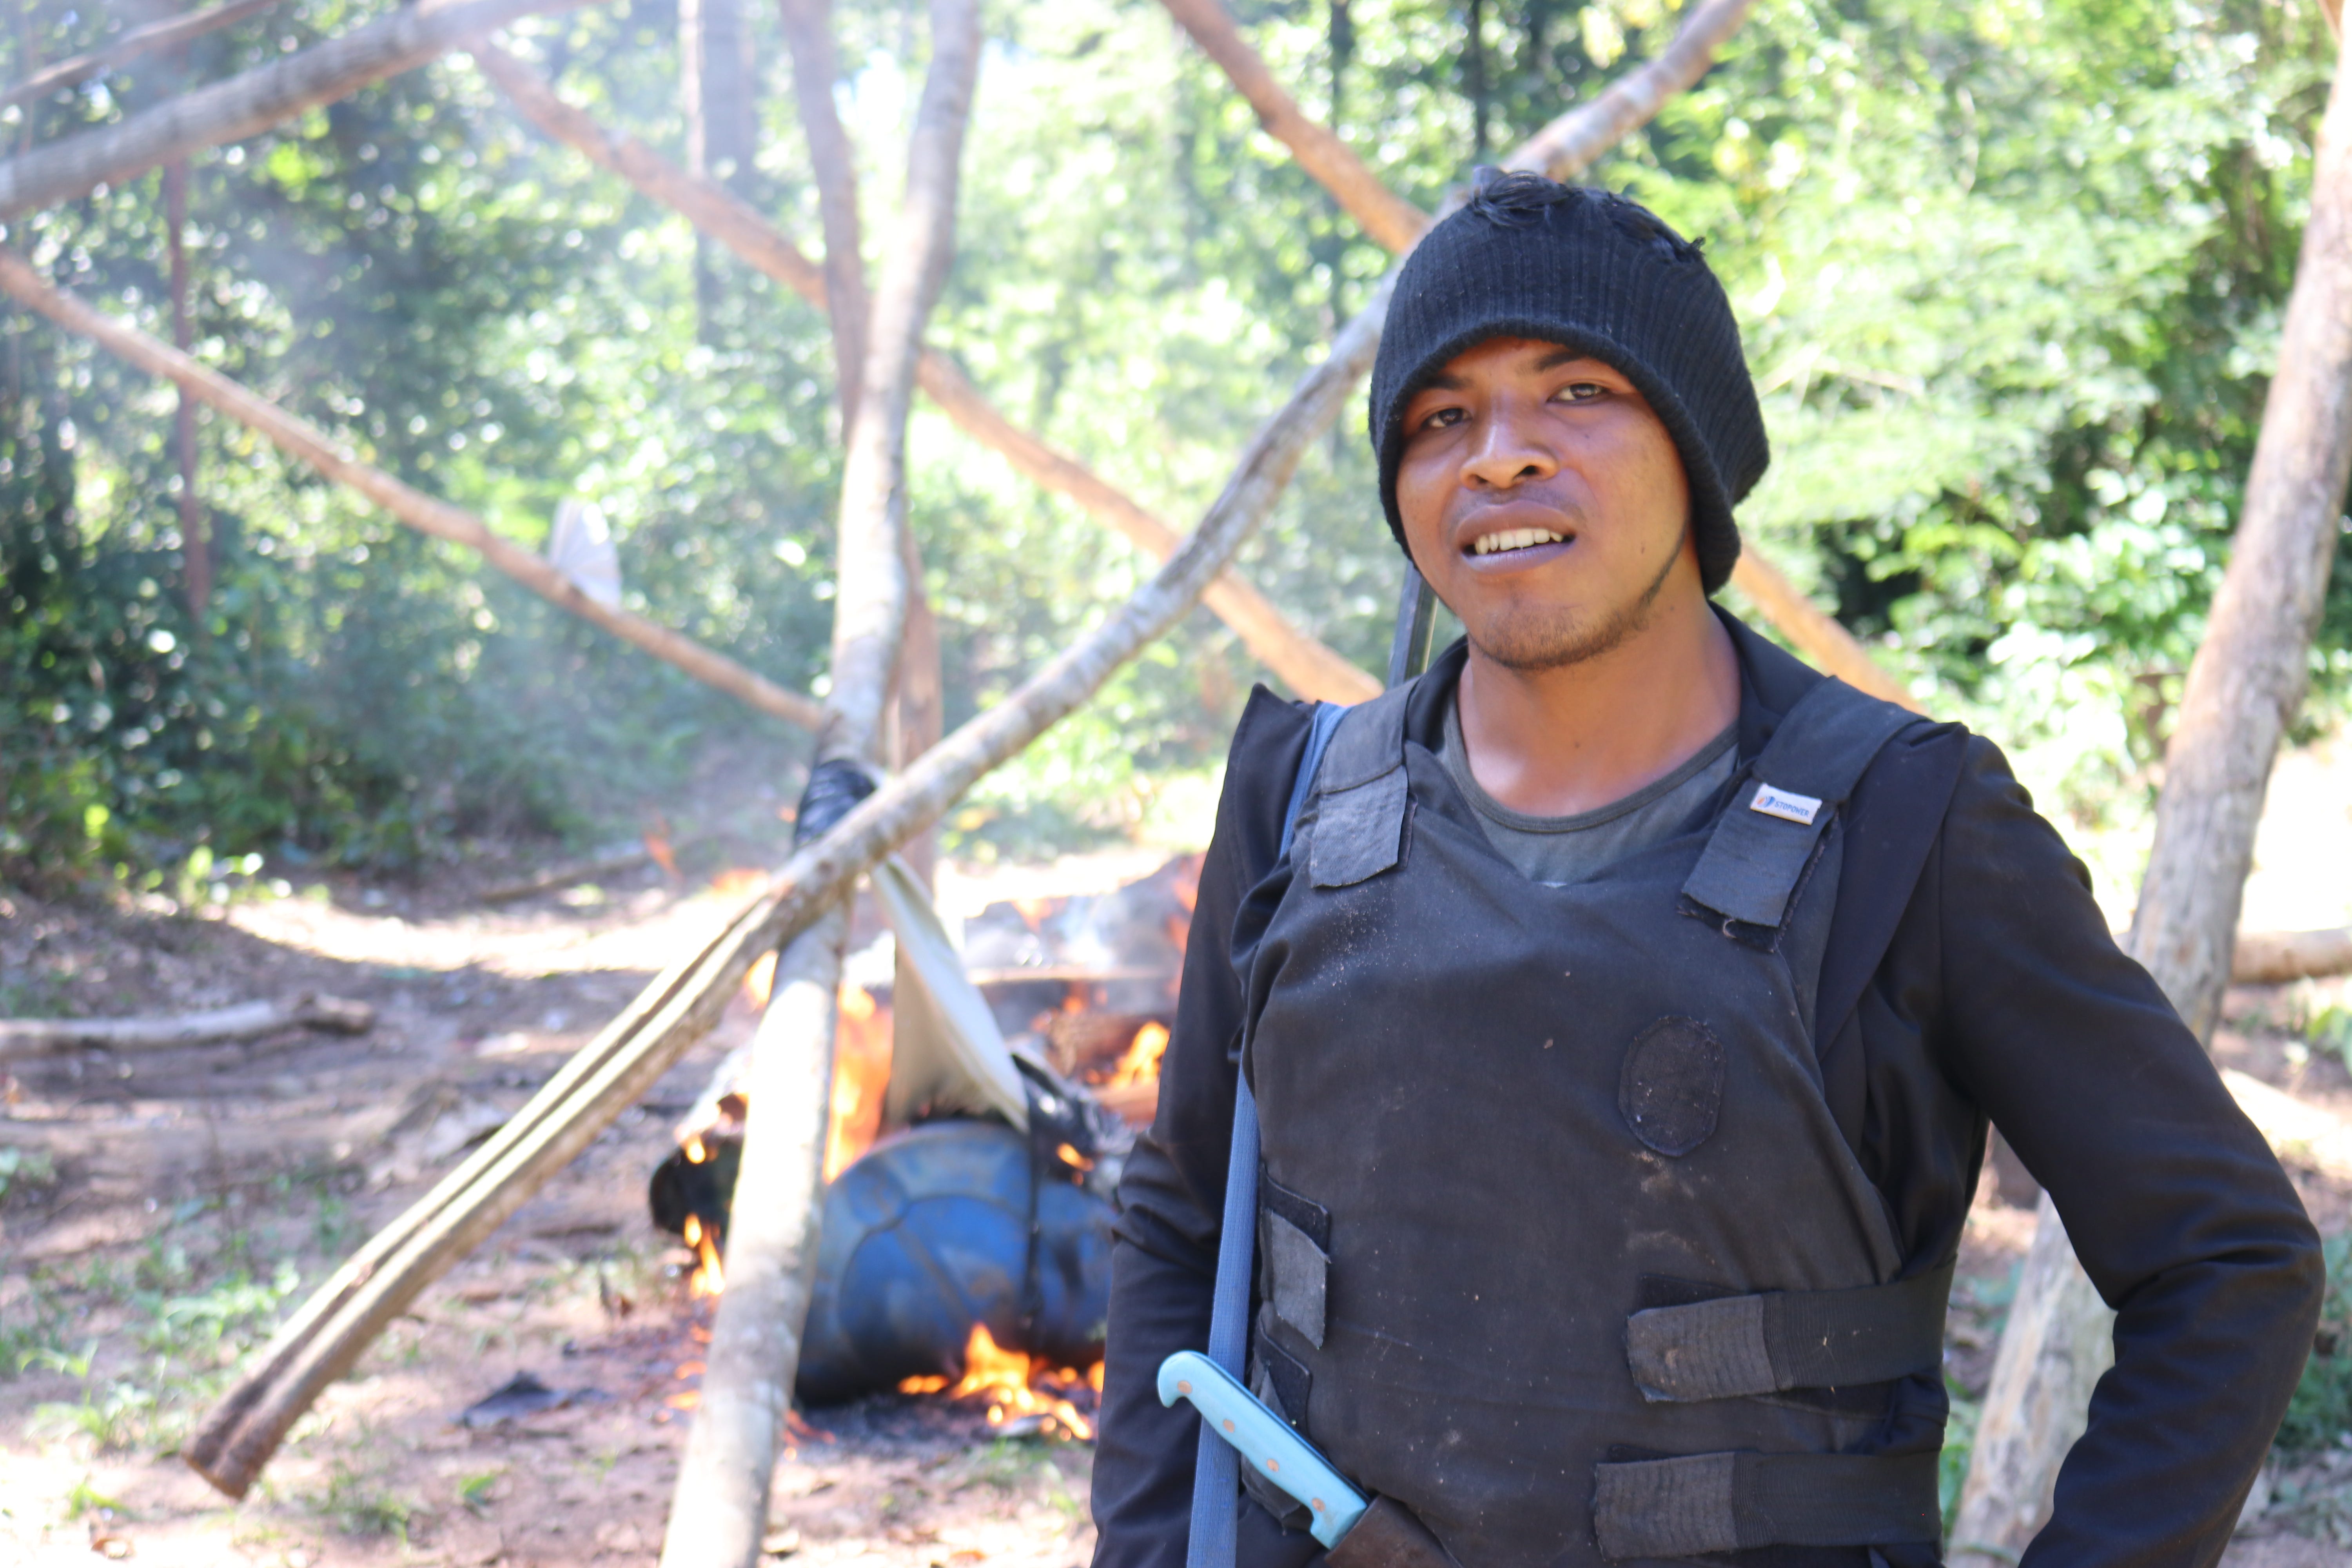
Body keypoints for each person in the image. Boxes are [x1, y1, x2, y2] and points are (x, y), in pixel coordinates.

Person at [1088, 171, 2324, 1568]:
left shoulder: (1911, 827)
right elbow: (1184, 1216)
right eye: (1443, 417)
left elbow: (2228, 1266)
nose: (1499, 454)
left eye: (1578, 393)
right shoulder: (1302, 798)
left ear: (1695, 453)